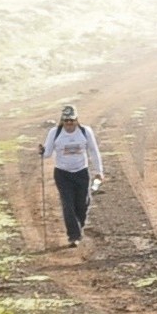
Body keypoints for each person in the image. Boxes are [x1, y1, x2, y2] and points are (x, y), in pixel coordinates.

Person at [39, 103, 103, 247]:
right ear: (62, 120)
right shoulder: (54, 132)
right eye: (66, 121)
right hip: (63, 174)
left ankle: (78, 228)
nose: (69, 124)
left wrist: (99, 172)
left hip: (81, 172)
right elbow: (48, 154)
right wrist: (42, 152)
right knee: (68, 205)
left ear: (76, 120)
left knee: (83, 204)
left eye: (72, 120)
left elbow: (93, 151)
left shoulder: (85, 132)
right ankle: (73, 236)